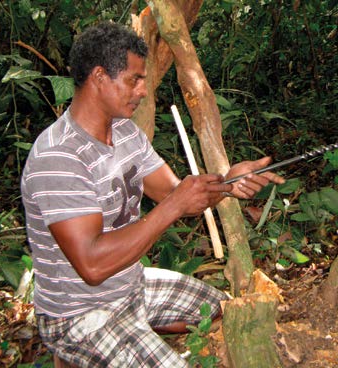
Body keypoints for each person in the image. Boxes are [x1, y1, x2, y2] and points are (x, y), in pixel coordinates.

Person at [21, 22, 284, 367]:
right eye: (134, 79)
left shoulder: (126, 133)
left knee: (228, 312)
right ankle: (77, 354)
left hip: (131, 286)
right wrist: (174, 206)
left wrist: (227, 183)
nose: (144, 90)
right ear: (99, 78)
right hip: (79, 313)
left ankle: (130, 335)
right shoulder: (58, 157)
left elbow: (174, 194)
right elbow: (93, 265)